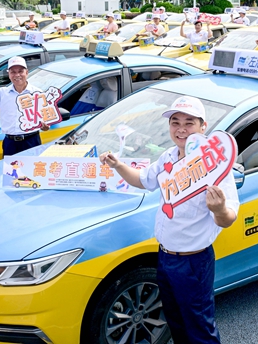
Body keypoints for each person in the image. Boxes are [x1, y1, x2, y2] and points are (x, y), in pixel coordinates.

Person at [99, 96, 239, 344]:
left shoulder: (215, 165)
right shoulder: (168, 158)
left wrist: (218, 209)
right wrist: (118, 165)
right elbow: (142, 180)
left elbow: (228, 218)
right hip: (165, 257)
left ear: (203, 127)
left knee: (199, 327)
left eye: (189, 123)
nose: (181, 129)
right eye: (175, 122)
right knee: (175, 321)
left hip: (193, 261)